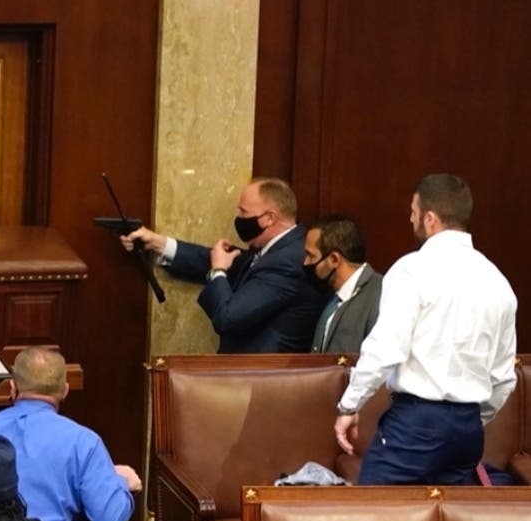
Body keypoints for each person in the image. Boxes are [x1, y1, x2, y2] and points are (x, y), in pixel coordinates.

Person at [335, 173, 517, 485]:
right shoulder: (499, 282)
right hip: (468, 430)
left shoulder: (410, 270)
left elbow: (385, 348)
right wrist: (470, 418)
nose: (411, 219)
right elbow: (503, 377)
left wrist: (350, 406)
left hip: (416, 424)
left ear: (430, 219)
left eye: (414, 212)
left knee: (371, 520)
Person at [0, 346, 140, 521]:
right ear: (65, 390)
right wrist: (121, 483)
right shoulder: (84, 442)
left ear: (12, 387)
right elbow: (109, 520)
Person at [122, 177, 325, 352]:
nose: (239, 219)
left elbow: (228, 318)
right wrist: (158, 243)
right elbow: (212, 258)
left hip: (261, 381)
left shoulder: (286, 261)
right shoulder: (278, 248)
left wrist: (218, 271)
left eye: (243, 213)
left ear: (269, 218)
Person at [303, 213, 383, 353]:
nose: (305, 263)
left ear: (334, 259)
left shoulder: (381, 296)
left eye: (311, 256)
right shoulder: (331, 295)